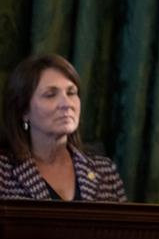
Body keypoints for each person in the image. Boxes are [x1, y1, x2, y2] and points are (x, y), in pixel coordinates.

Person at [0, 54, 127, 201]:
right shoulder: (4, 173)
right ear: (23, 111)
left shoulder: (104, 171)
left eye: (71, 92)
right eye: (50, 95)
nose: (66, 104)